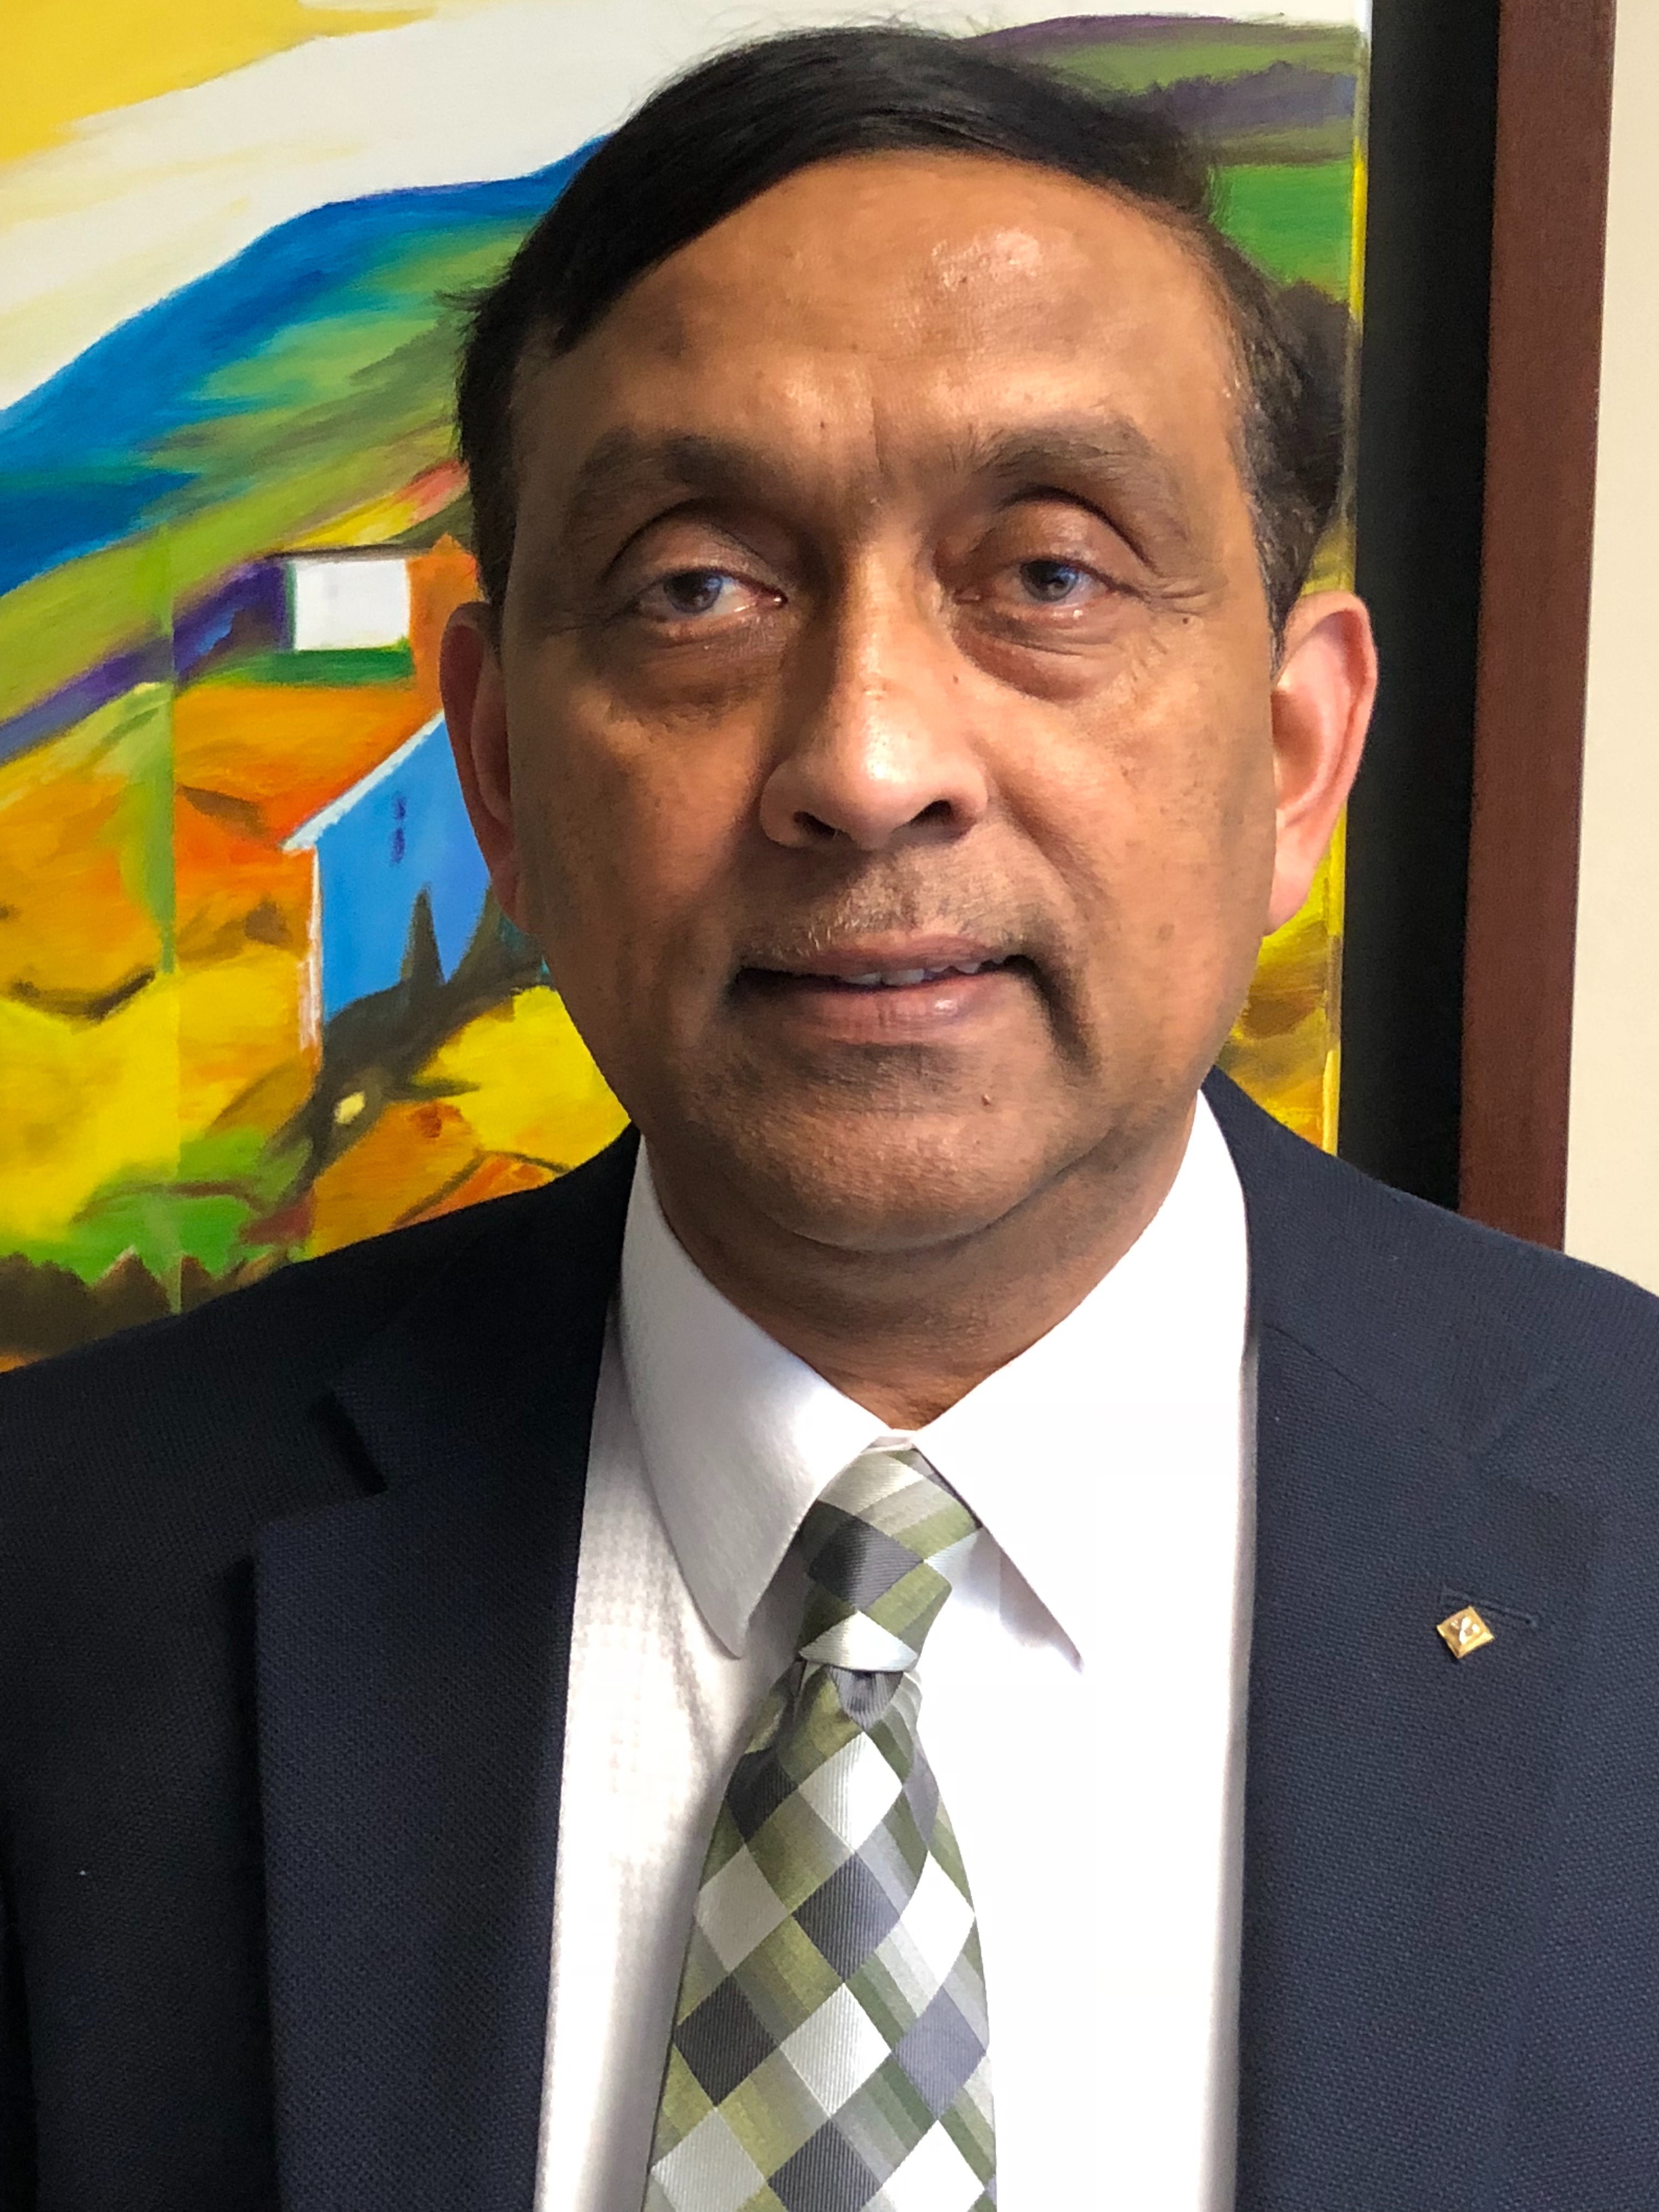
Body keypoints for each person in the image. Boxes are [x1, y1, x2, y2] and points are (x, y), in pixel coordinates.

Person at [2, 26, 1655, 2212]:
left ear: (1294, 757)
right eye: (698, 586)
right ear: (499, 775)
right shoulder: (59, 1575)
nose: (869, 764)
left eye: (1050, 575)